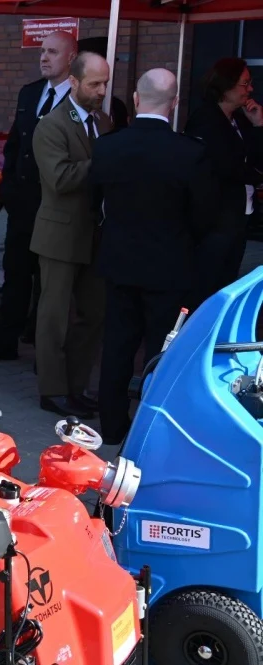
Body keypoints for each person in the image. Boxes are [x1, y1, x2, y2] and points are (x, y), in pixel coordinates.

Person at [91, 69, 216, 445]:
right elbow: (204, 217)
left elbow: (94, 203)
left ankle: (112, 425)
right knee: (163, 351)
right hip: (169, 265)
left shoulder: (108, 146)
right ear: (174, 103)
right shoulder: (190, 152)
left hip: (119, 262)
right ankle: (154, 429)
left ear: (135, 99)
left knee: (117, 345)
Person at [0, 31, 77, 365]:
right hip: (24, 203)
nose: (44, 57)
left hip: (57, 206)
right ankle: (6, 340)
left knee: (49, 281)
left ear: (71, 58)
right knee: (16, 272)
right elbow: (15, 145)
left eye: (53, 52)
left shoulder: (78, 99)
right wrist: (10, 189)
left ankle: (45, 348)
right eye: (42, 51)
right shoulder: (30, 92)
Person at [31, 52, 113, 420]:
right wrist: (108, 160)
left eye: (105, 83)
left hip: (96, 234)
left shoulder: (104, 122)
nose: (102, 91)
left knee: (93, 314)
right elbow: (60, 179)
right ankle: (52, 391)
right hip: (60, 236)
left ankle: (77, 387)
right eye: (95, 84)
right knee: (55, 317)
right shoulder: (52, 125)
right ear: (75, 82)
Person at [185, 57, 263, 308]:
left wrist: (258, 126)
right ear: (226, 85)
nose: (250, 89)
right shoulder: (206, 120)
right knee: (208, 285)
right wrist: (257, 176)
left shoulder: (240, 119)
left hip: (239, 217)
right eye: (245, 83)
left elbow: (256, 158)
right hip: (215, 220)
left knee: (227, 280)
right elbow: (228, 166)